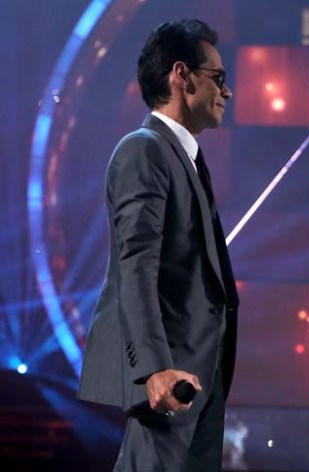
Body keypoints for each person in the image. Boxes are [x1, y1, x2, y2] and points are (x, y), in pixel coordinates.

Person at [77, 19, 239, 471]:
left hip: (200, 377)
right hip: (170, 378)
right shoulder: (144, 150)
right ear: (181, 75)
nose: (227, 92)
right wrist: (152, 370)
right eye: (218, 78)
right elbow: (136, 265)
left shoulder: (184, 156)